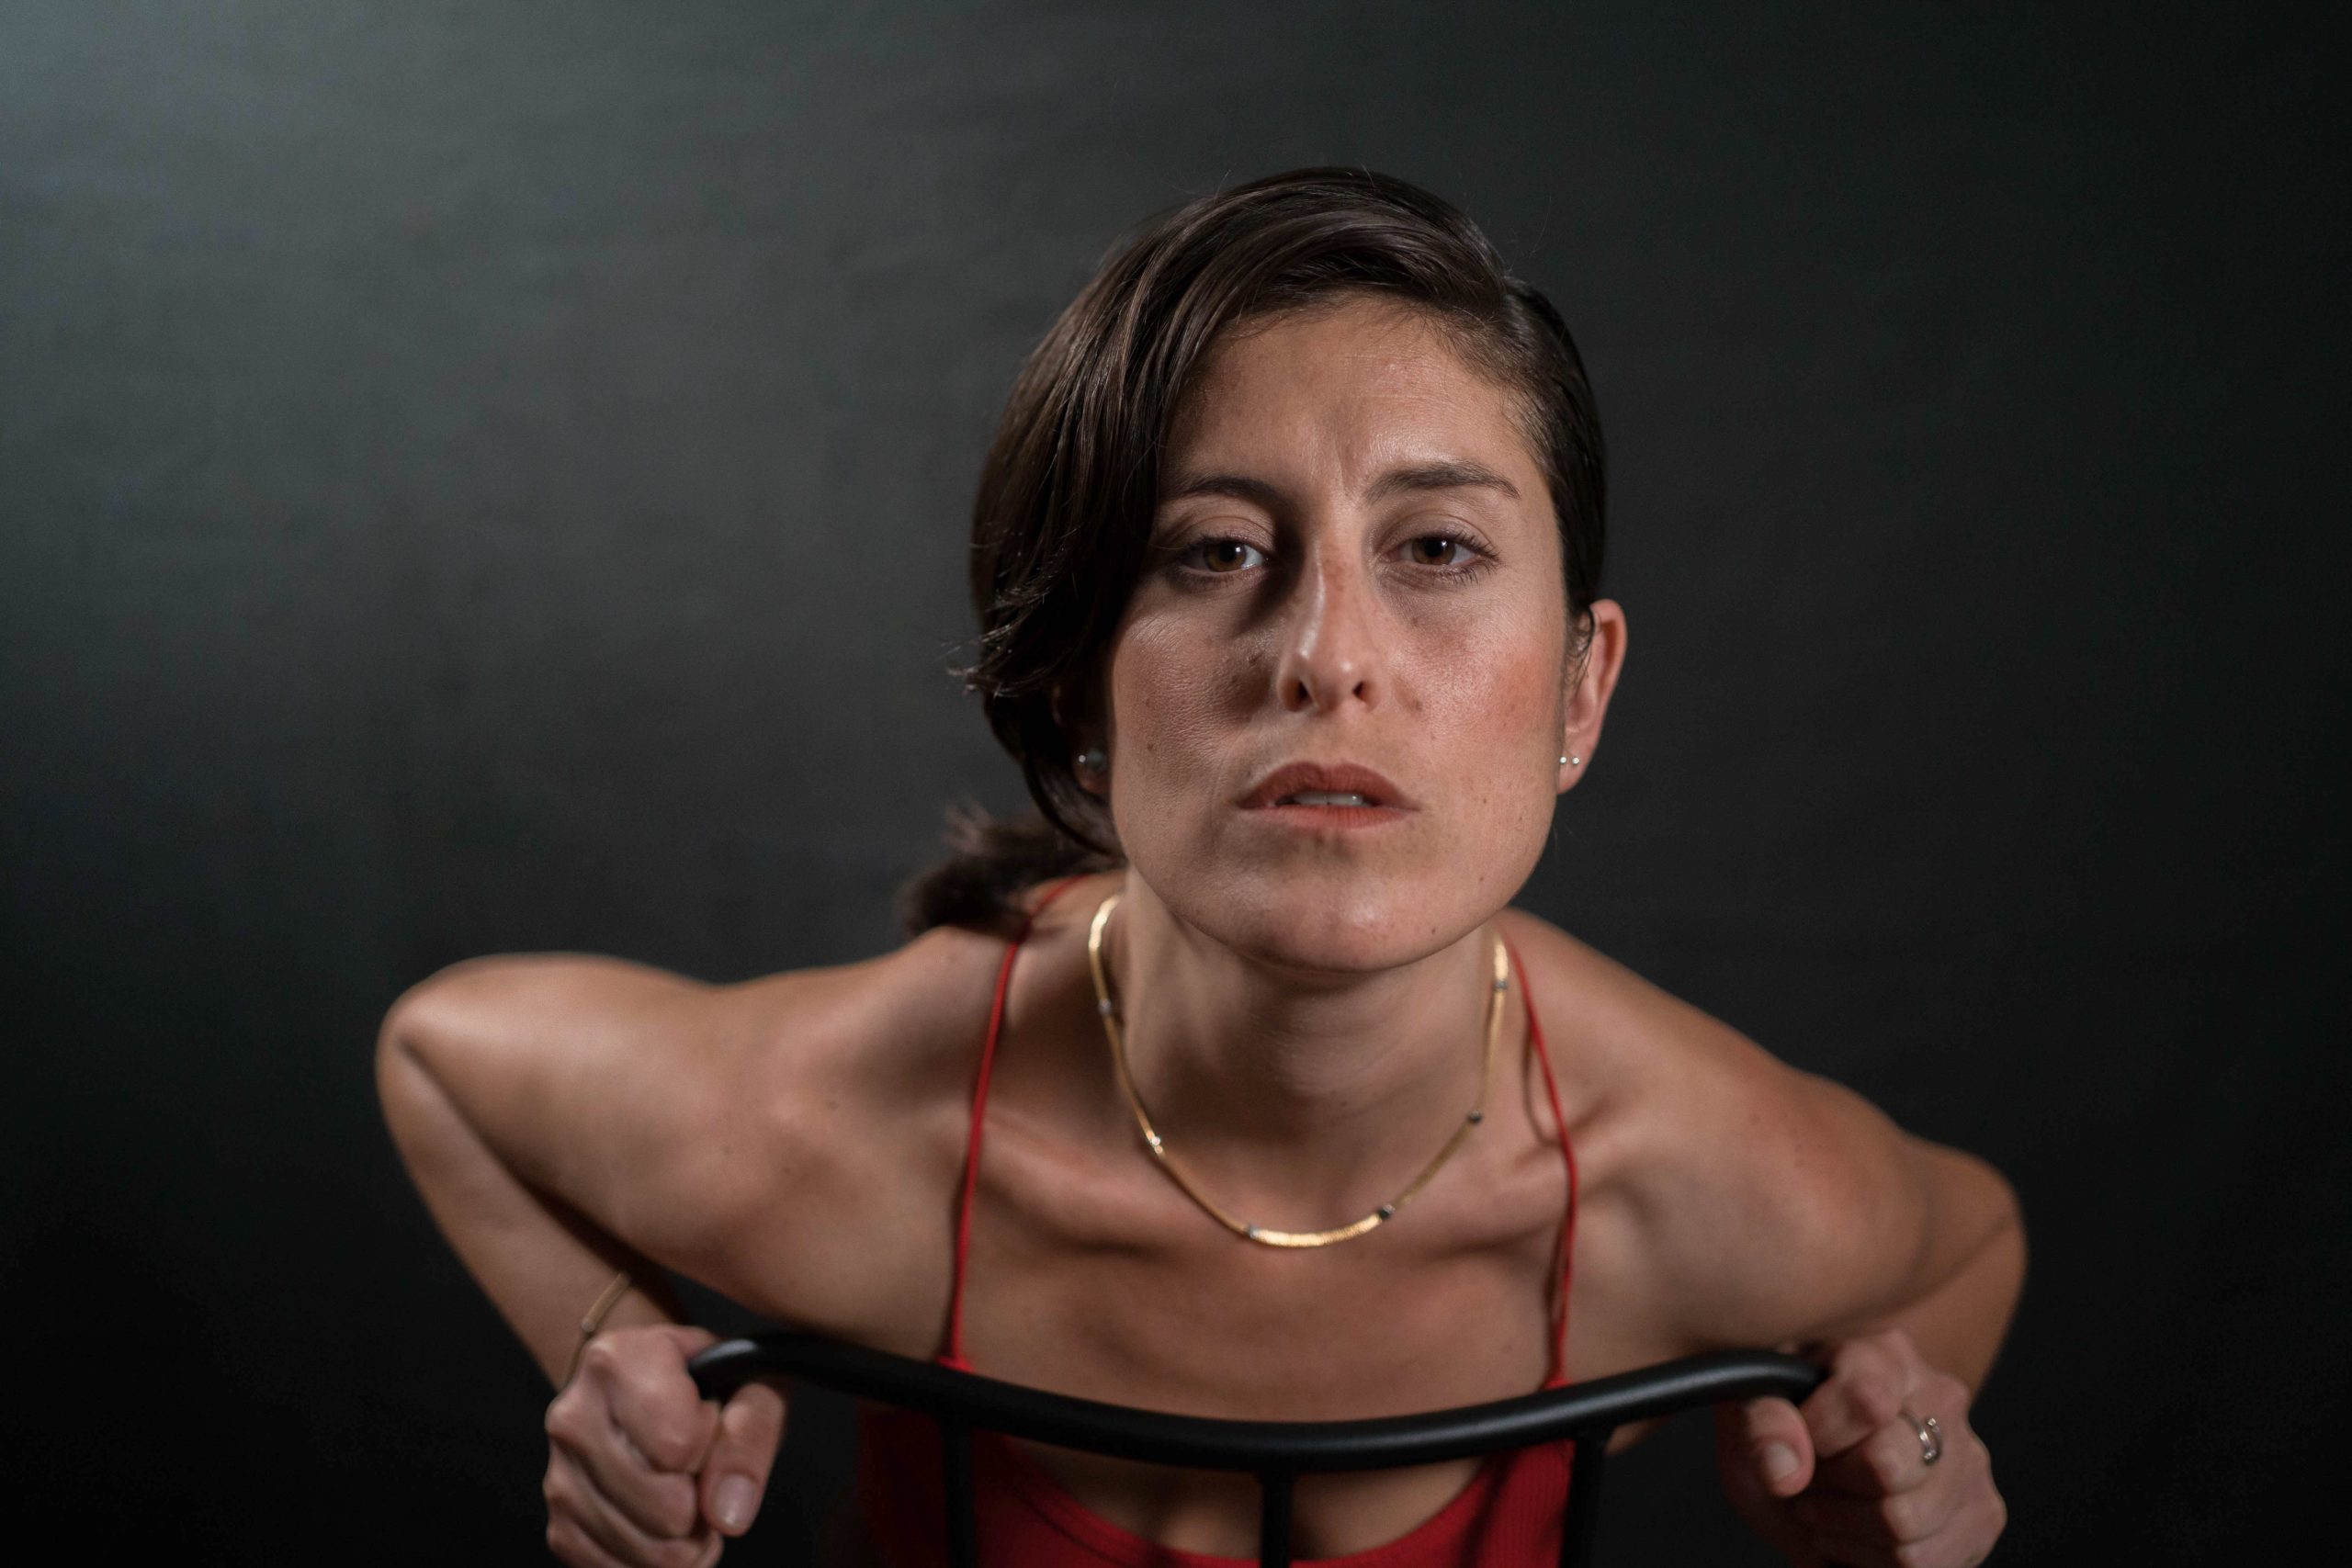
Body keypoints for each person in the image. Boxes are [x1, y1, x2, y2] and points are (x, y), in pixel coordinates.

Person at [378, 168, 2022, 1567]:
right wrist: (620, 1366)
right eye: (1219, 550)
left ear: (1580, 693)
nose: (1326, 656)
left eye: (1437, 547)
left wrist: (1897, 1464)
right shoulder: (865, 1141)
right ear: (1076, 691)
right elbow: (443, 1058)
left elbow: (1972, 1243)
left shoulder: (1696, 1182)